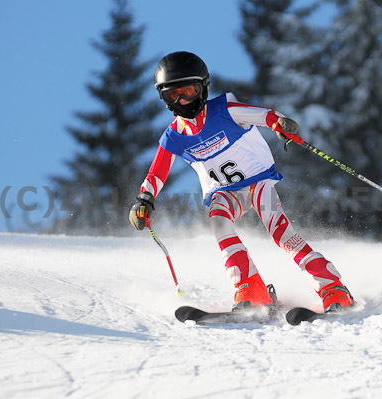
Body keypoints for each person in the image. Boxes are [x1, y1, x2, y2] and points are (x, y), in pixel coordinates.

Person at [129, 51, 354, 312]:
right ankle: (251, 288)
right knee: (218, 221)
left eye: (188, 91)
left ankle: (332, 287)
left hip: (258, 181)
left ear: (203, 88)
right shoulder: (174, 136)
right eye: (172, 94)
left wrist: (280, 123)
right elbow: (157, 173)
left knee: (280, 232)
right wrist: (143, 200)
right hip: (224, 192)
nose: (181, 99)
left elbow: (264, 115)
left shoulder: (224, 111)